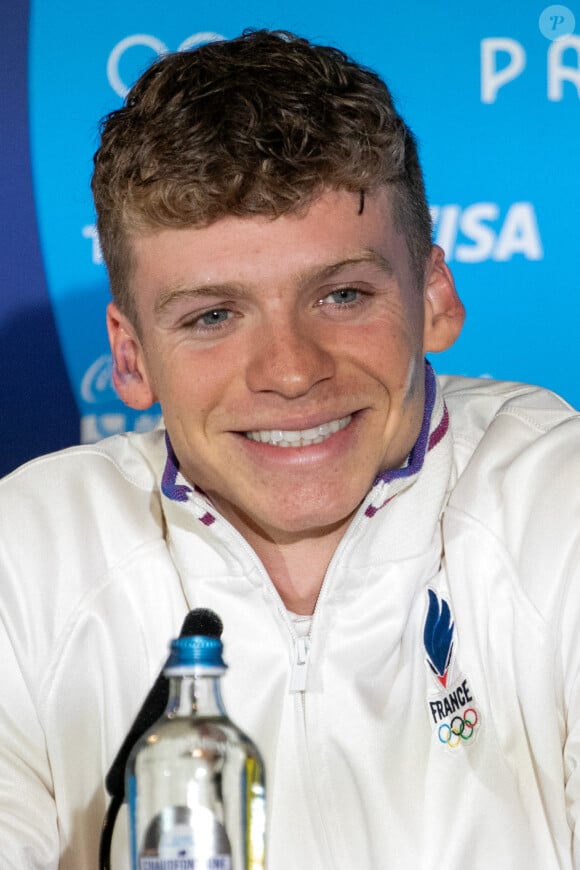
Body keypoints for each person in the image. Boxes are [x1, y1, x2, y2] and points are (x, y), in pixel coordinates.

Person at [1, 28, 579, 870]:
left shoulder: (558, 504)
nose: (292, 370)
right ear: (129, 357)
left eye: (342, 295)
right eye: (212, 316)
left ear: (436, 297)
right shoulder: (26, 552)